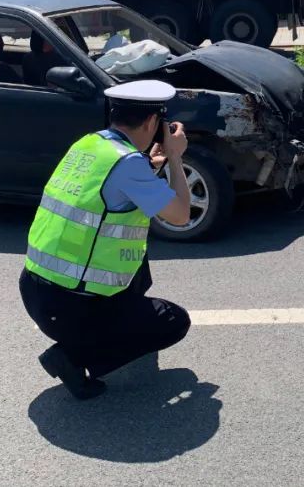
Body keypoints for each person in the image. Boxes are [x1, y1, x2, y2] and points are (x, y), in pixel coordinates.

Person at [19, 79, 193, 400]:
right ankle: (73, 356)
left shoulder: (89, 144)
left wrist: (151, 163)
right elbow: (181, 215)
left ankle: (110, 322)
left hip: (38, 288)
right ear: (153, 122)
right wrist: (176, 156)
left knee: (135, 261)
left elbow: (110, 192)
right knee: (175, 322)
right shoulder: (128, 165)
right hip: (68, 307)